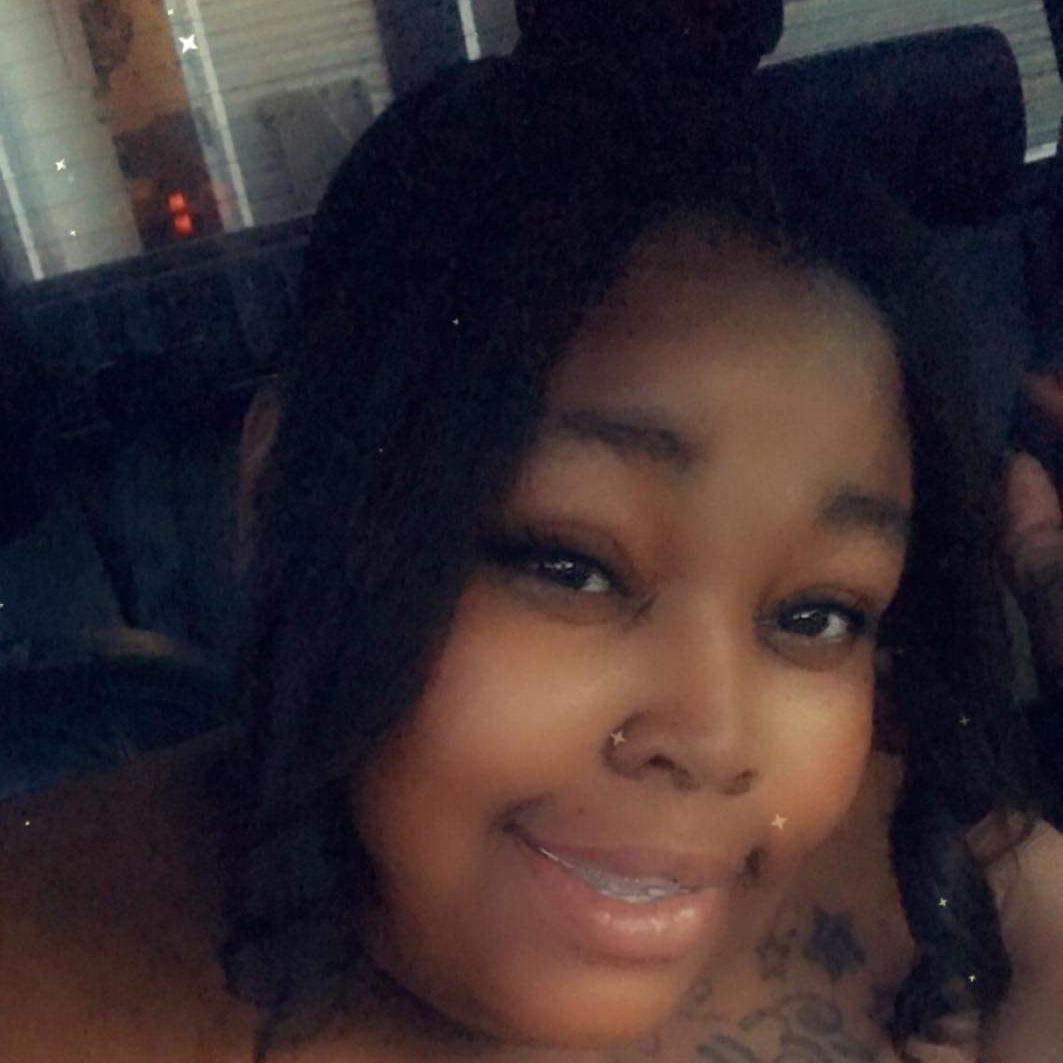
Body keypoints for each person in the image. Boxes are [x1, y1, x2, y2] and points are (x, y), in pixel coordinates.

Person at [2, 8, 1061, 1063]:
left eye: (815, 614)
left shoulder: (969, 895)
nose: (712, 737)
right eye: (572, 565)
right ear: (285, 495)